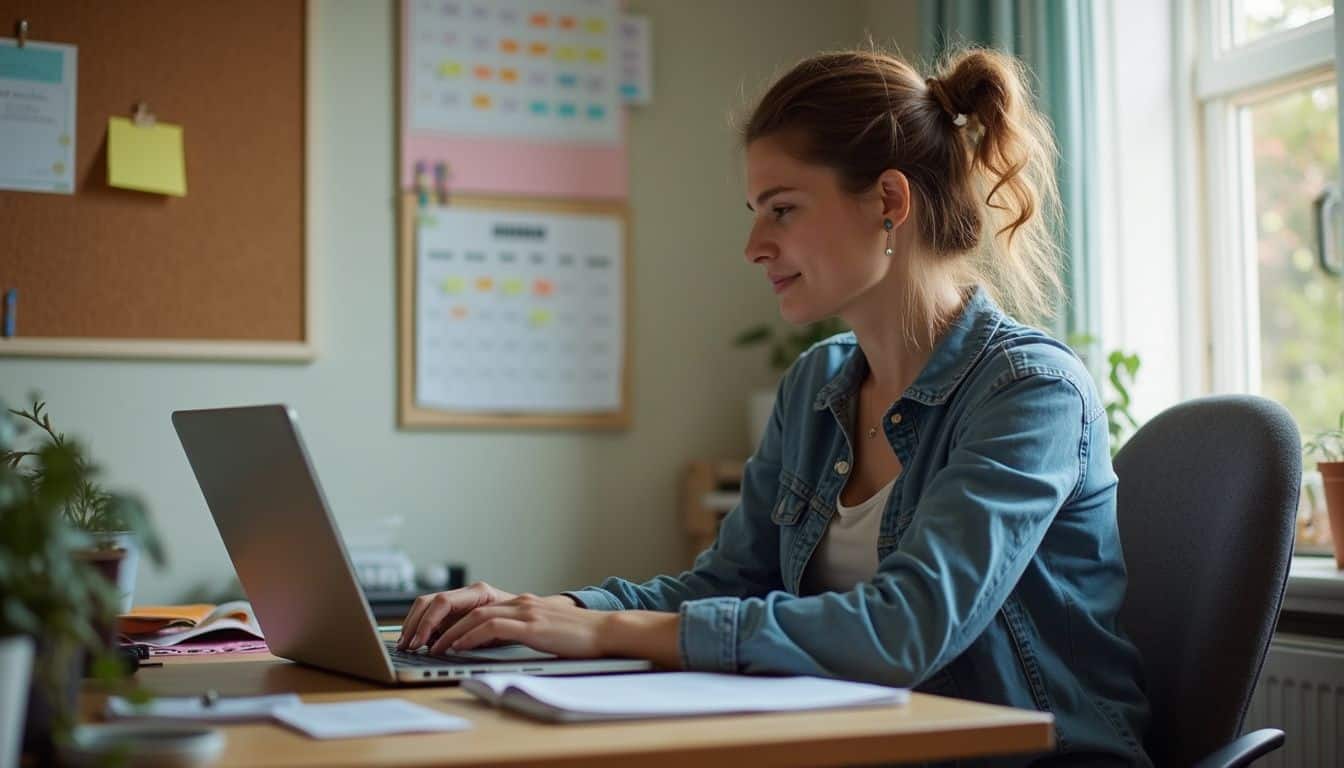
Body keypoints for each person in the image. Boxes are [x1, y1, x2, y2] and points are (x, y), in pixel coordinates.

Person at [399, 47, 1152, 766]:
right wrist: (542, 611)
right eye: (756, 210)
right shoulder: (816, 386)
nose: (754, 244)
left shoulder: (1029, 391)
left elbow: (905, 629)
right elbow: (725, 582)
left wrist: (604, 630)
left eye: (782, 209)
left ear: (890, 202)